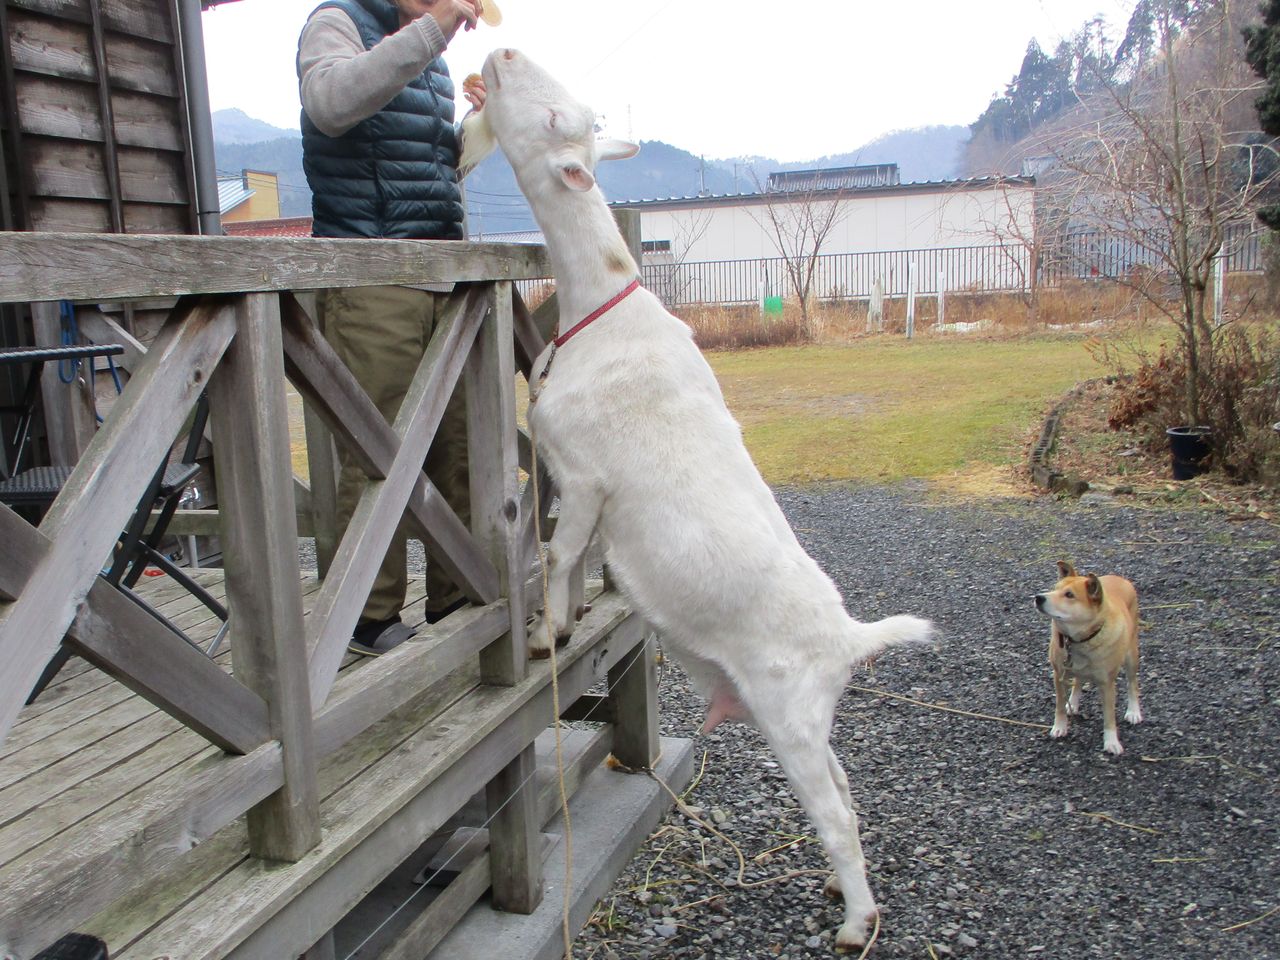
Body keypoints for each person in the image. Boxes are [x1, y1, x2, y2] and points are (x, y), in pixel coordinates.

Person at [297, 0, 487, 655]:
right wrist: (430, 32)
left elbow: (433, 170)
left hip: (440, 274)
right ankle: (366, 617)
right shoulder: (338, 21)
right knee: (372, 451)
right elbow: (329, 103)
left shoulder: (427, 56)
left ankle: (457, 596)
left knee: (457, 448)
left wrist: (481, 124)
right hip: (372, 273)